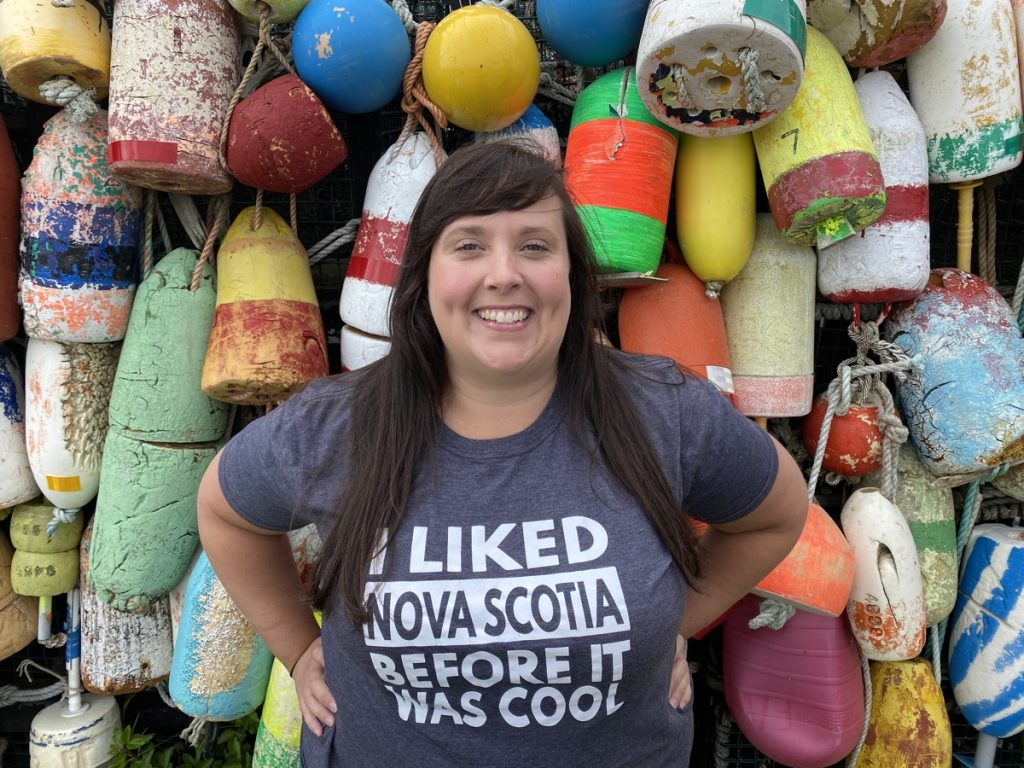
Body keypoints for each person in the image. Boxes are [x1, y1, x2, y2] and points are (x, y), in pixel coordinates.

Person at [197, 140, 808, 767]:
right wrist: (297, 648)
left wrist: (676, 623)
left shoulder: (665, 411)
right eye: (469, 244)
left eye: (535, 245)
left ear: (571, 272)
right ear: (424, 273)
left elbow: (775, 515)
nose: (504, 273)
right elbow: (225, 513)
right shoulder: (335, 426)